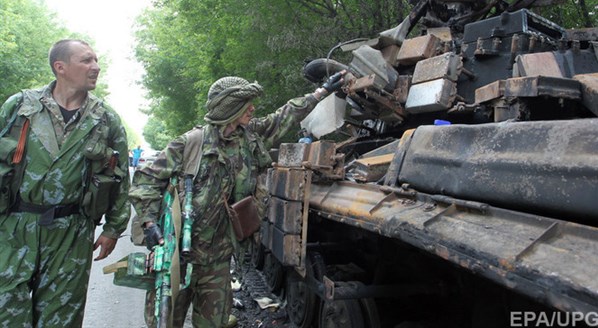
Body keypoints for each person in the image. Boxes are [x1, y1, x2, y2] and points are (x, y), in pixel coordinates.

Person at [129, 71, 346, 327]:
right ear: (230, 108)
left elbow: (284, 117)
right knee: (164, 321)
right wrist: (149, 223)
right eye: (246, 104)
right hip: (179, 256)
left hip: (218, 261)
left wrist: (321, 92)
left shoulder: (249, 136)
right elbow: (145, 180)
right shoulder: (190, 144)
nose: (252, 109)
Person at [0, 39, 131, 327]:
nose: (95, 67)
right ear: (60, 67)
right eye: (86, 60)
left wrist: (113, 228)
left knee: (61, 319)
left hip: (71, 234)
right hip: (14, 229)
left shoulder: (105, 119)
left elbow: (120, 177)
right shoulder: (20, 107)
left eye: (96, 60)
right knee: (7, 313)